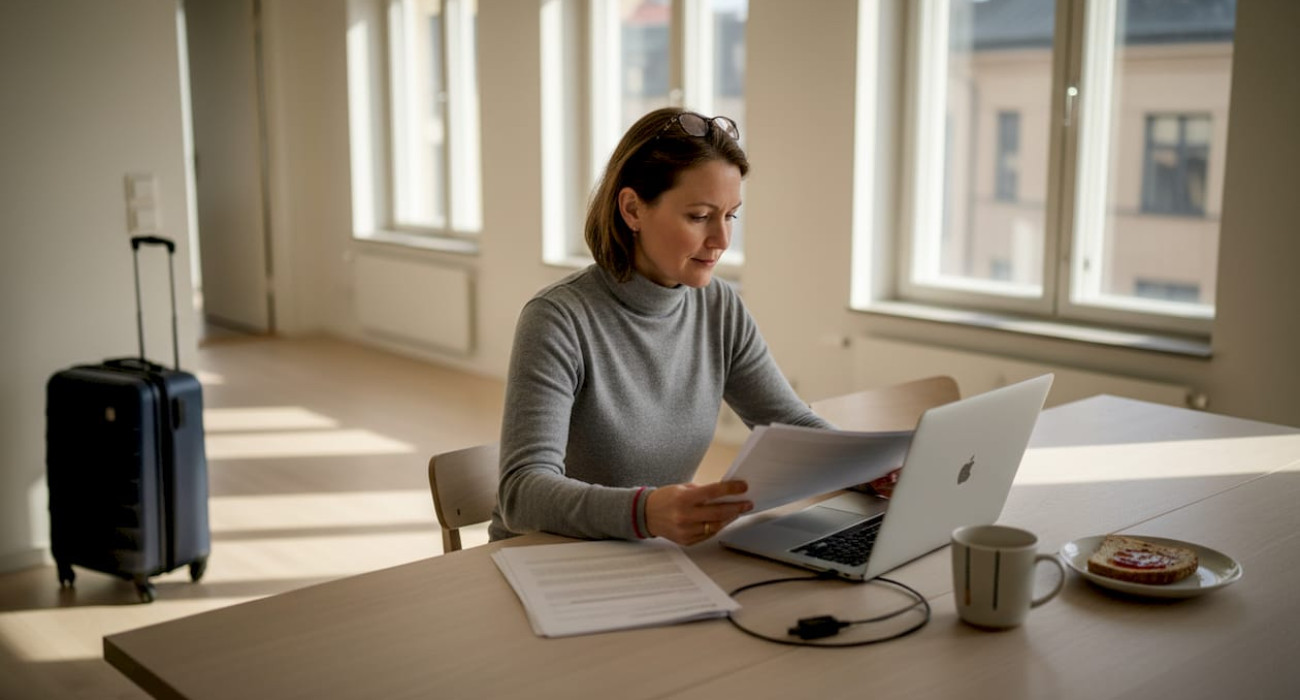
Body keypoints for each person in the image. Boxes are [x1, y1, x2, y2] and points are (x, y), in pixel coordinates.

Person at [488, 107, 833, 547]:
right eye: (699, 216)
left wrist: (873, 467)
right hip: (546, 554)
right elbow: (522, 494)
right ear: (632, 209)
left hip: (642, 553)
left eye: (730, 215)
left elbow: (788, 423)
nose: (722, 240)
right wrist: (646, 512)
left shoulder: (719, 305)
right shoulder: (558, 318)